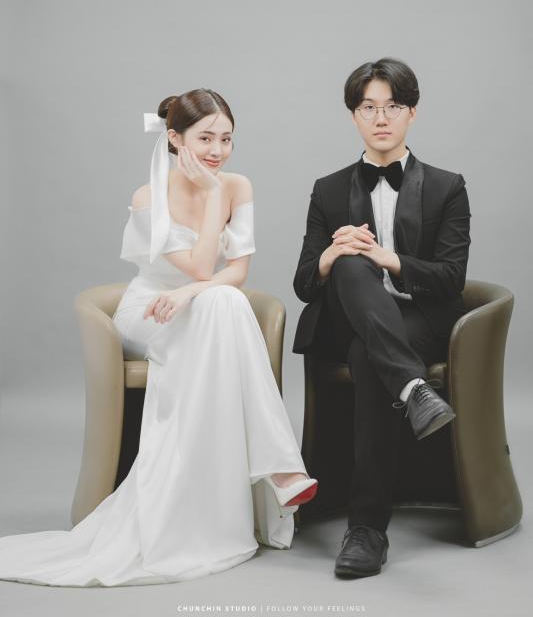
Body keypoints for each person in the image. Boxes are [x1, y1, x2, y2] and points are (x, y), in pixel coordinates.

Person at [0, 88, 317, 587]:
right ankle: (281, 468)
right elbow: (201, 265)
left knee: (226, 300)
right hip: (149, 312)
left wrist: (192, 292)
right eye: (205, 138)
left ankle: (275, 472)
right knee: (223, 301)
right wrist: (211, 201)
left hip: (196, 304)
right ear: (175, 138)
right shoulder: (148, 197)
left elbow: (236, 272)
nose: (217, 151)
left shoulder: (240, 185)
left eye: (227, 139)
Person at [292, 58, 471, 579]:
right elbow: (304, 284)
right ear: (354, 116)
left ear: (412, 112)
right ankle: (415, 390)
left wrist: (389, 260)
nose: (381, 118)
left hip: (417, 319)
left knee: (369, 355)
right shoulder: (328, 189)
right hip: (348, 316)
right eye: (368, 108)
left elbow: (451, 279)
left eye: (393, 106)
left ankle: (367, 529)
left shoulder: (447, 187)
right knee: (348, 261)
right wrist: (332, 256)